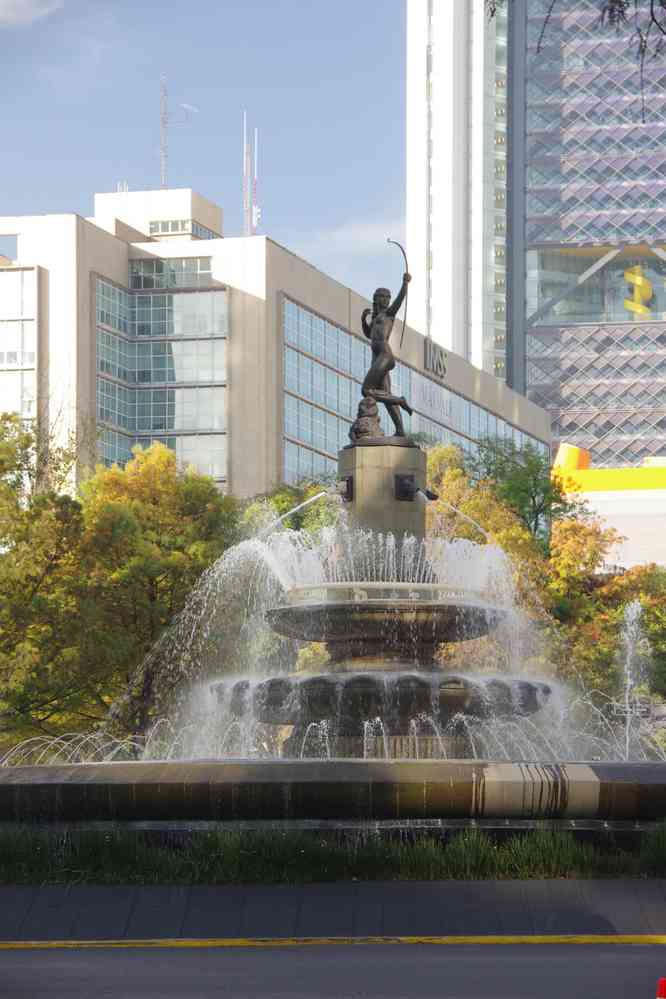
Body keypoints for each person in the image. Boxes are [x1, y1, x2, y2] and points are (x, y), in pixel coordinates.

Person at [360, 273, 413, 437]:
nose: (385, 300)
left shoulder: (389, 314)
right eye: (381, 297)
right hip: (377, 358)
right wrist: (363, 320)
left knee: (366, 390)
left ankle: (400, 400)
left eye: (387, 297)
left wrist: (404, 284)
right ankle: (400, 430)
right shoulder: (376, 318)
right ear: (376, 299)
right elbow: (369, 334)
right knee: (386, 396)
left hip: (384, 355)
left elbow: (400, 300)